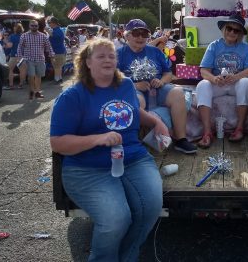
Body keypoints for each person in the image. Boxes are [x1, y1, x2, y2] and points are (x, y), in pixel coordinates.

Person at [50, 38, 166, 262]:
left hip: (133, 158)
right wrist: (97, 139)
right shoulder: (73, 96)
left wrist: (155, 122)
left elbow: (133, 110)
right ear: (87, 62)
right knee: (116, 219)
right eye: (101, 56)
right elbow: (58, 143)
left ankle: (127, 257)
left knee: (151, 207)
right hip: (87, 168)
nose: (108, 60)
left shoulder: (126, 85)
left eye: (112, 56)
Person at [117, 19, 197, 154]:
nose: (141, 37)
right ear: (127, 36)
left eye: (144, 34)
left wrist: (162, 82)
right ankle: (133, 141)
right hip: (134, 90)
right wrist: (134, 85)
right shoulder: (119, 54)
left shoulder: (155, 51)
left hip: (158, 89)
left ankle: (180, 139)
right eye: (136, 33)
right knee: (138, 101)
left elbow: (168, 73)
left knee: (177, 93)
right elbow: (114, 79)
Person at [196, 13, 248, 148]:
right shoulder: (214, 46)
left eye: (236, 30)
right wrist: (213, 78)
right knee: (202, 85)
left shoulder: (245, 47)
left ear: (240, 33)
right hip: (219, 84)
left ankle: (239, 128)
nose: (232, 32)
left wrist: (236, 77)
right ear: (224, 29)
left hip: (235, 84)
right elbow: (204, 70)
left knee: (246, 82)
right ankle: (207, 132)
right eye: (229, 28)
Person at [17, 20, 54, 100]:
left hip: (40, 59)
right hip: (29, 59)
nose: (34, 27)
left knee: (38, 76)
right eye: (32, 25)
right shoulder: (24, 36)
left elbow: (48, 46)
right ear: (29, 26)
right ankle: (32, 91)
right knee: (31, 76)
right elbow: (20, 47)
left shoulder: (42, 36)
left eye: (36, 26)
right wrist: (19, 57)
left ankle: (37, 92)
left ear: (38, 26)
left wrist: (52, 56)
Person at [4, 23, 26, 89]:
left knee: (10, 70)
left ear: (15, 28)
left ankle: (11, 85)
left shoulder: (12, 36)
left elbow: (10, 46)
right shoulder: (24, 36)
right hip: (22, 56)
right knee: (22, 70)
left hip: (14, 56)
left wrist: (5, 42)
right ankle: (21, 85)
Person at [47, 17, 67, 84]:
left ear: (53, 23)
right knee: (59, 66)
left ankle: (57, 79)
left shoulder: (56, 31)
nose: (49, 24)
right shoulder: (59, 30)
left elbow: (53, 36)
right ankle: (60, 78)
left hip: (57, 51)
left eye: (50, 23)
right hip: (60, 51)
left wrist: (47, 30)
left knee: (56, 66)